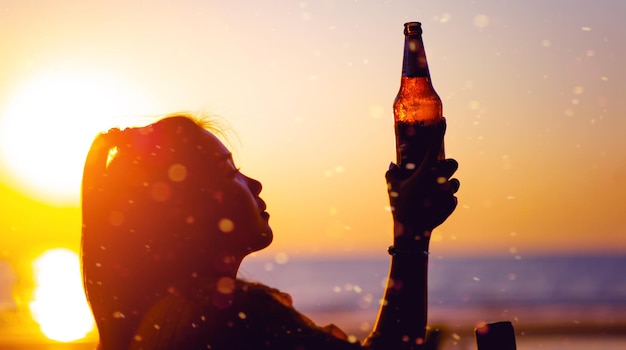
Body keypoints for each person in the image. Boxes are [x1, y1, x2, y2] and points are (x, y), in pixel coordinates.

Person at [81, 113, 459, 350]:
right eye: (229, 171)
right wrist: (412, 233)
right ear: (185, 209)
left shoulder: (163, 317)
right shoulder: (229, 316)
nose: (255, 183)